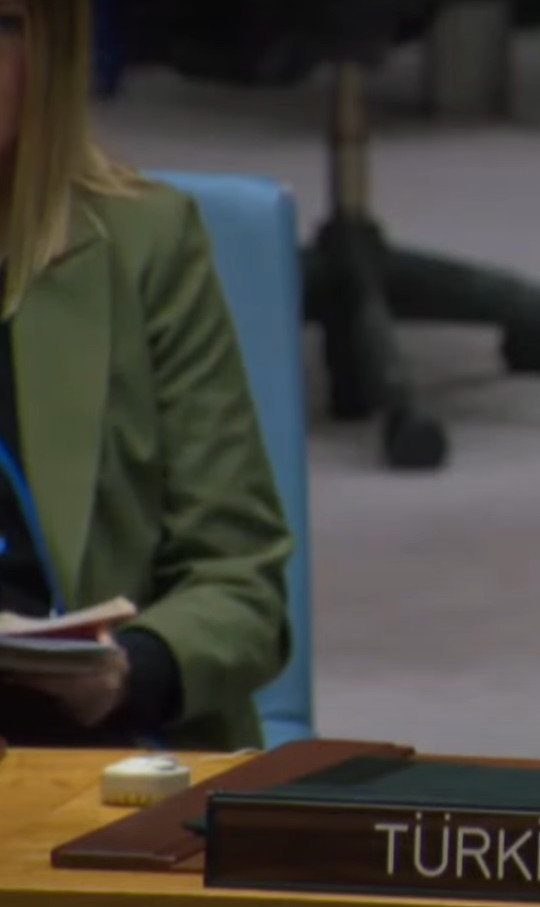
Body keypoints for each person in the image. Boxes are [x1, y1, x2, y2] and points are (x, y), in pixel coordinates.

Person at [0, 0, 291, 750]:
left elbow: (241, 586)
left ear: (55, 51)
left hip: (83, 747)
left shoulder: (147, 248)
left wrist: (127, 670)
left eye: (3, 26)